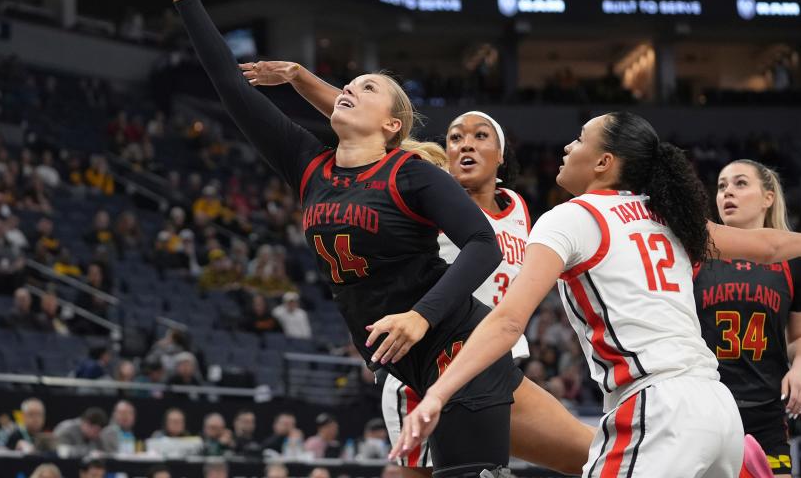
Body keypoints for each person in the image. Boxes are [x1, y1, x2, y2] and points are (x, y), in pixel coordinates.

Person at [143, 0, 532, 477]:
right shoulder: (308, 164)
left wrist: (421, 318)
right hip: (399, 359)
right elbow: (232, 87)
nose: (348, 88)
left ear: (392, 124)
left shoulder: (411, 172)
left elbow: (482, 244)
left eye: (365, 87)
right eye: (347, 83)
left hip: (455, 342)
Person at [392, 112, 801, 477]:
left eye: (579, 139)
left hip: (657, 407)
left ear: (603, 162)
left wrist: (438, 392)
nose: (566, 145)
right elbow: (768, 245)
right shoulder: (665, 216)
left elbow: (508, 320)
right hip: (719, 409)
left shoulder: (570, 217)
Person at [242, 61, 597, 474]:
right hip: (432, 357)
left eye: (480, 136)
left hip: (493, 354)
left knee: (594, 456)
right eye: (455, 137)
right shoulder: (424, 177)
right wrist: (302, 80)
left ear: (502, 155)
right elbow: (364, 123)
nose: (465, 145)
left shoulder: (517, 206)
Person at [694, 160, 801, 477]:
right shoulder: (696, 252)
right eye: (721, 186)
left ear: (768, 197)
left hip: (766, 414)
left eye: (740, 183)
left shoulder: (793, 263)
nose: (727, 191)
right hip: (705, 408)